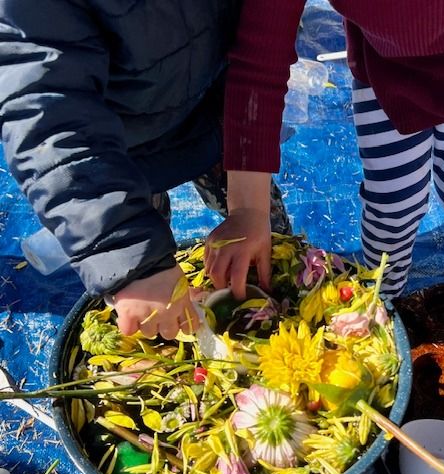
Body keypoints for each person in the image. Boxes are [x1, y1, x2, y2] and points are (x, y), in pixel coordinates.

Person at [206, 0, 444, 324]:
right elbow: (260, 59)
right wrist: (248, 208)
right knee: (391, 203)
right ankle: (384, 290)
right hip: (388, 72)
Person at [0, 0, 291, 341]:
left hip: (219, 117)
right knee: (150, 292)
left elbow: (263, 47)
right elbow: (48, 117)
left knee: (266, 250)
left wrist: (249, 206)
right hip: (114, 158)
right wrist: (134, 263)